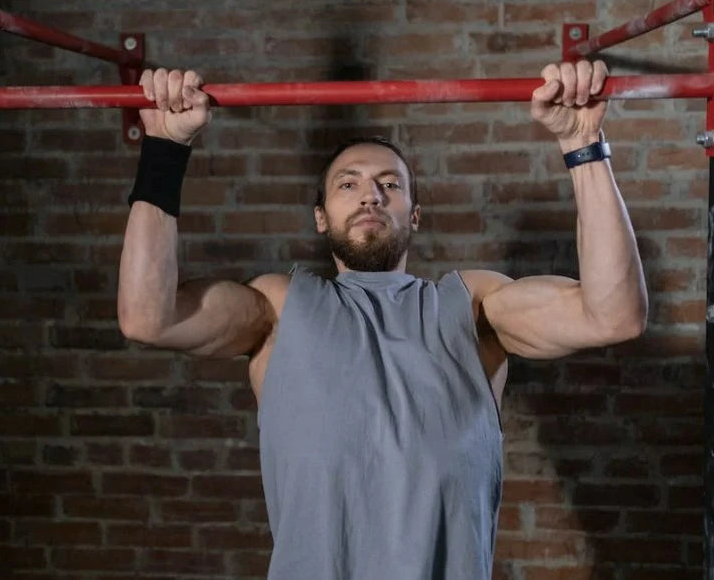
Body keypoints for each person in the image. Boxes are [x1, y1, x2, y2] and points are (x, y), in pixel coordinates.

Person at [117, 61, 647, 579]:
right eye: (348, 184)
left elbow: (613, 316)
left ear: (414, 214)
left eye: (389, 185)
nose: (371, 193)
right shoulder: (280, 308)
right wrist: (165, 148)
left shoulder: (473, 305)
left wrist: (584, 146)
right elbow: (146, 317)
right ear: (320, 216)